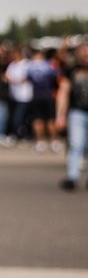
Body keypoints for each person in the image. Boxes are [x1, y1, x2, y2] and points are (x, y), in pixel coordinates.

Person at [57, 42, 88, 191]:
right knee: (76, 144)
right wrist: (60, 115)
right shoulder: (71, 69)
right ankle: (72, 176)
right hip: (77, 112)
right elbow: (63, 92)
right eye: (84, 51)